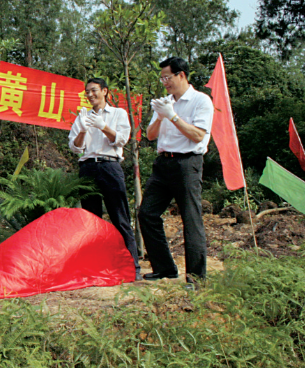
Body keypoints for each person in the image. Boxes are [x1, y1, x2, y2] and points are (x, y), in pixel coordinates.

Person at [139, 56, 214, 287]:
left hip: (188, 164)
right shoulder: (164, 102)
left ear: (181, 75)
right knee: (146, 214)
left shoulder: (201, 101)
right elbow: (150, 135)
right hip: (163, 164)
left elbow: (198, 135)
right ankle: (165, 268)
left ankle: (196, 278)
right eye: (162, 78)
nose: (164, 82)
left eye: (167, 77)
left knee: (190, 219)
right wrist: (161, 115)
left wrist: (172, 115)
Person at [68, 77, 140, 280]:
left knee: (120, 217)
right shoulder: (82, 116)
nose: (90, 95)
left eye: (94, 91)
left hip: (110, 165)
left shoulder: (118, 113)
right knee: (92, 221)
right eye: (87, 92)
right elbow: (75, 147)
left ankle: (132, 267)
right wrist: (82, 130)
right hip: (87, 167)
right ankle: (96, 269)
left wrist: (102, 126)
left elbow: (121, 139)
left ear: (105, 91)